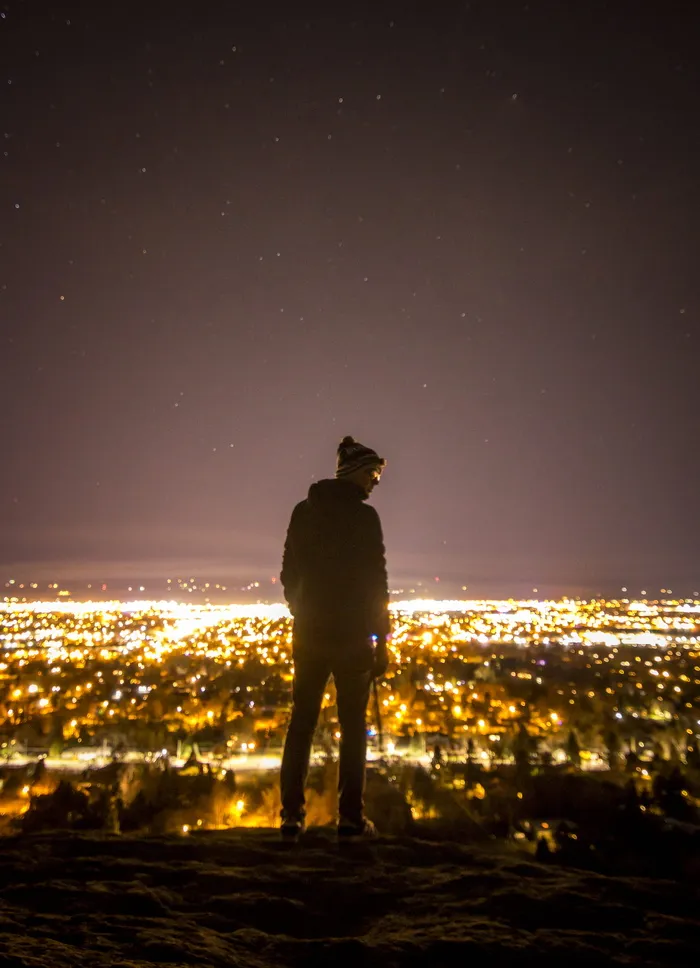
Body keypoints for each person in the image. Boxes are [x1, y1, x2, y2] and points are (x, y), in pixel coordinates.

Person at [279, 435, 391, 841]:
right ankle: (350, 819)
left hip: (309, 634)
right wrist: (382, 637)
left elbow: (288, 571)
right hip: (352, 638)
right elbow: (376, 583)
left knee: (302, 724)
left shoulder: (303, 512)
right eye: (373, 473)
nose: (376, 482)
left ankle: (291, 817)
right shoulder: (365, 519)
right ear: (354, 472)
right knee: (352, 726)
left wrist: (300, 609)